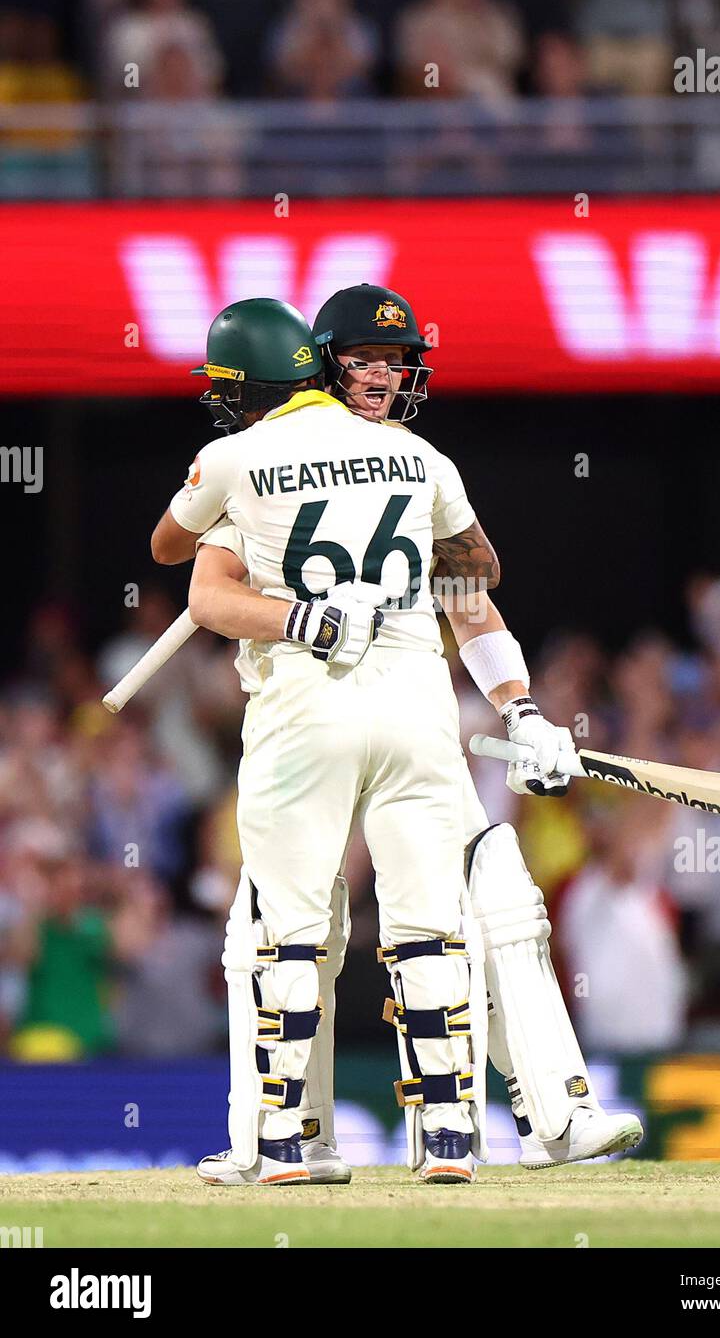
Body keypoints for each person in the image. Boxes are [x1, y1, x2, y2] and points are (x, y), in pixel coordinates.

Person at [151, 289, 643, 1183]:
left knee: (463, 895)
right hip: (391, 710)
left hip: (353, 707)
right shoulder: (395, 458)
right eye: (364, 360)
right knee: (384, 918)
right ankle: (337, 1134)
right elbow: (471, 575)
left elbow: (468, 595)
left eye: (396, 359)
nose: (383, 374)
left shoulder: (267, 454)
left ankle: (539, 1115)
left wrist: (520, 707)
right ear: (317, 363)